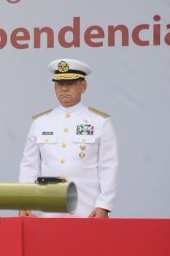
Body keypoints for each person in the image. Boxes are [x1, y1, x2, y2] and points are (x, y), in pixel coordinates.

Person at [19, 58, 118, 218]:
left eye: (70, 84)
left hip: (87, 210)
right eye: (60, 84)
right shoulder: (41, 122)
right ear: (54, 87)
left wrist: (104, 205)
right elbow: (29, 166)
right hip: (49, 211)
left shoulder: (100, 121)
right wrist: (24, 203)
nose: (64, 89)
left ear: (83, 86)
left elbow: (108, 166)